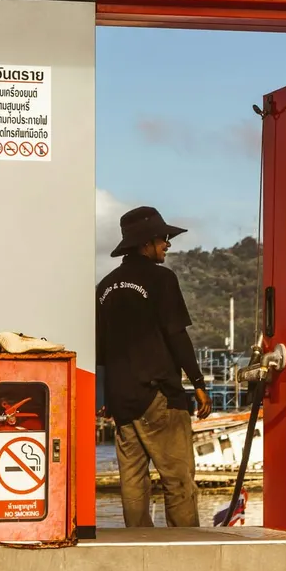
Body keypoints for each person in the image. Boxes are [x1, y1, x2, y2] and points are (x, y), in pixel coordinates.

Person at [96, 205, 211, 527]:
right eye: (163, 239)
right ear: (146, 243)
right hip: (158, 394)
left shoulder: (105, 287)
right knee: (178, 480)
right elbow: (176, 335)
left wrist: (105, 394)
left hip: (121, 399)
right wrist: (199, 383)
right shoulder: (161, 279)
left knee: (132, 481)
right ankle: (188, 551)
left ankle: (137, 545)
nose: (167, 245)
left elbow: (101, 348)